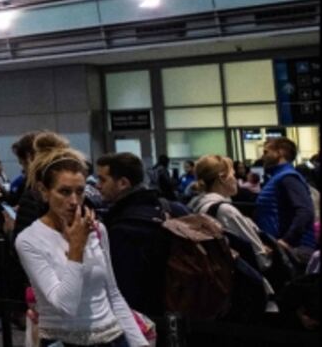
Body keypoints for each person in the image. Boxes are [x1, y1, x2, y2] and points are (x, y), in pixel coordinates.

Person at [16, 147, 147, 347]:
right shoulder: (29, 239)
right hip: (62, 340)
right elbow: (64, 305)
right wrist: (76, 247)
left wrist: (140, 343)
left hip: (112, 337)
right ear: (44, 191)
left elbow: (112, 293)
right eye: (64, 192)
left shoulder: (96, 229)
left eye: (80, 191)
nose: (74, 201)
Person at [95, 152, 188, 317]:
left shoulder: (123, 228)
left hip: (142, 321)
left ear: (123, 183)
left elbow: (125, 290)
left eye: (103, 179)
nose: (97, 185)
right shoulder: (172, 208)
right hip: (180, 311)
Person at [187, 155, 273, 272]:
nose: (236, 179)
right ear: (222, 177)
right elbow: (262, 261)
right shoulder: (225, 211)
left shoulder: (195, 206)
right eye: (232, 174)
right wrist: (266, 251)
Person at [255, 137, 317, 269]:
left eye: (266, 152)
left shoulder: (288, 177)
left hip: (295, 250)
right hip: (284, 248)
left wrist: (286, 240)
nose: (263, 156)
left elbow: (306, 211)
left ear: (280, 152)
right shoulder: (278, 177)